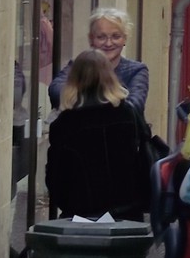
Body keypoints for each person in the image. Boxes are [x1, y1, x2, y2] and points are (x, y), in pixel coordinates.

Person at [45, 50, 153, 222]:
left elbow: (55, 177)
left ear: (74, 80)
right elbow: (144, 160)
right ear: (110, 76)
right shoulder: (128, 114)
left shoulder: (64, 123)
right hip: (128, 213)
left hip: (81, 215)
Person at [50, 8, 149, 114]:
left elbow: (135, 105)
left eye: (116, 37)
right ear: (91, 39)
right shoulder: (77, 65)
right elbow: (55, 90)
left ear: (125, 38)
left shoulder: (136, 70)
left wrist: (82, 101)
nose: (108, 43)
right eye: (101, 37)